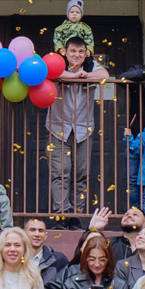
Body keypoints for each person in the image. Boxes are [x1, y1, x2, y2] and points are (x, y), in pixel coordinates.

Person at [48, 37, 110, 216]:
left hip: (84, 129)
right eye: (73, 51)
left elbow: (105, 75)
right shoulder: (58, 64)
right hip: (57, 129)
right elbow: (51, 73)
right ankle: (62, 214)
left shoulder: (91, 66)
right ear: (65, 52)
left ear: (86, 53)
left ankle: (77, 214)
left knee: (81, 174)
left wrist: (85, 76)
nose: (77, 55)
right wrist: (75, 76)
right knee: (60, 172)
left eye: (81, 51)